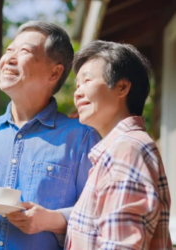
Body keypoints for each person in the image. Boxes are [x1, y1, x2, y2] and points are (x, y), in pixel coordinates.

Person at [0, 21, 100, 250]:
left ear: (54, 72)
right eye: (9, 50)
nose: (9, 58)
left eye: (24, 51)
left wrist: (51, 220)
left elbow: (97, 215)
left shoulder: (82, 139)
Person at [65, 40, 172, 250]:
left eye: (87, 81)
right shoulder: (118, 148)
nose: (77, 93)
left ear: (122, 87)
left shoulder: (126, 150)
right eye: (77, 85)